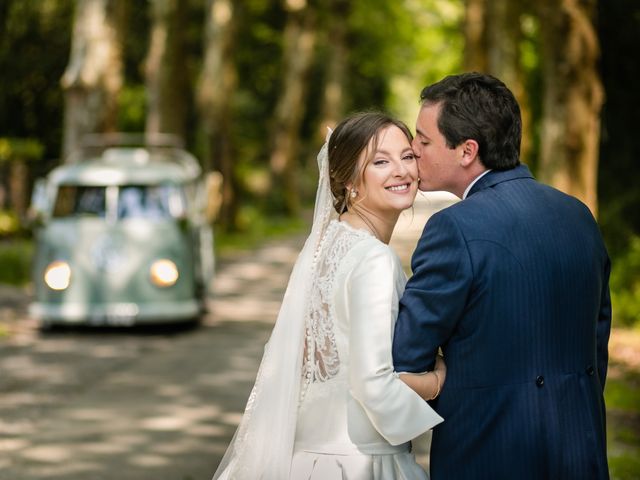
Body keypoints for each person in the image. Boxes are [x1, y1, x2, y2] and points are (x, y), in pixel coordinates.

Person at [392, 72, 612, 479]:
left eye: (423, 140)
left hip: (488, 452)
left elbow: (407, 355)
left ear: (466, 150)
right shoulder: (578, 215)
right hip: (581, 450)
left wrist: (446, 376)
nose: (413, 150)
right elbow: (596, 343)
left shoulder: (452, 229)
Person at [213, 112, 445, 480]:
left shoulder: (328, 243)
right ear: (349, 181)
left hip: (306, 459)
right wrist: (438, 382)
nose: (401, 170)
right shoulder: (373, 258)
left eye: (407, 156)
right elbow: (374, 384)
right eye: (380, 162)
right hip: (358, 463)